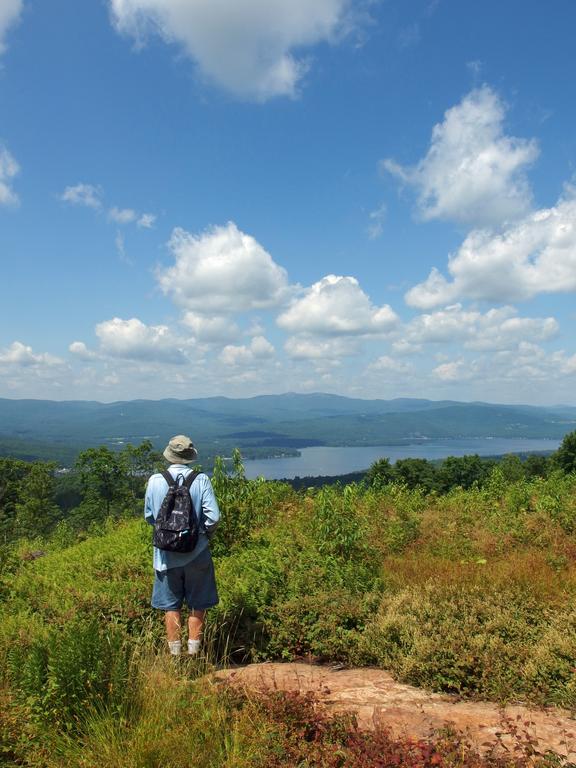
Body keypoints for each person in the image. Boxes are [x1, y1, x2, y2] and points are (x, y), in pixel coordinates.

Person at [144, 434, 220, 656]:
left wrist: (167, 534)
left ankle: (176, 658)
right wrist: (202, 535)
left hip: (165, 557)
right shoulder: (201, 479)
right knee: (198, 603)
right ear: (190, 456)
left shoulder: (155, 480)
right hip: (197, 553)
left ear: (170, 454)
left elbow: (149, 516)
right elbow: (213, 517)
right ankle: (194, 654)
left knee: (171, 605)